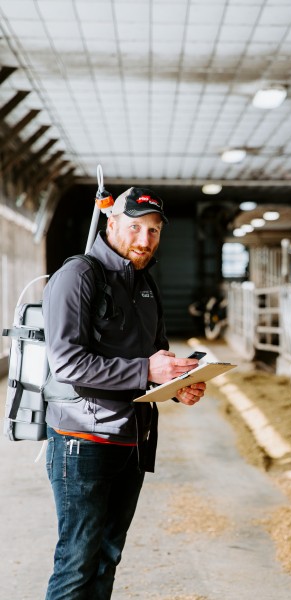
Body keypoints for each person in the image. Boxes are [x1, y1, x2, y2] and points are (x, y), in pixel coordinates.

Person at [42, 186, 206, 600]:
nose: (144, 240)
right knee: (77, 562)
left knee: (107, 557)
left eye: (153, 231)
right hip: (84, 441)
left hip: (132, 440)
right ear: (111, 223)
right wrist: (146, 369)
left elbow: (155, 357)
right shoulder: (77, 277)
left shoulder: (146, 283)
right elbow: (66, 364)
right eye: (135, 227)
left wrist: (175, 386)